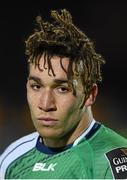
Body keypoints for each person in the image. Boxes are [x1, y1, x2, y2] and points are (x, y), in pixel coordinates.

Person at [0, 9, 127, 179]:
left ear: (90, 94)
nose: (45, 104)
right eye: (36, 86)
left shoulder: (111, 164)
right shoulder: (13, 158)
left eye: (62, 89)